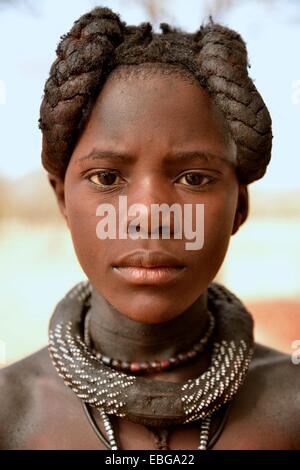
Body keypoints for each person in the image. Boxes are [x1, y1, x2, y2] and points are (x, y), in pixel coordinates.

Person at [0, 6, 299, 450]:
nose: (150, 213)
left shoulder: (291, 409)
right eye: (106, 177)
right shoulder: (10, 418)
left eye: (194, 178)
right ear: (62, 197)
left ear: (240, 207)